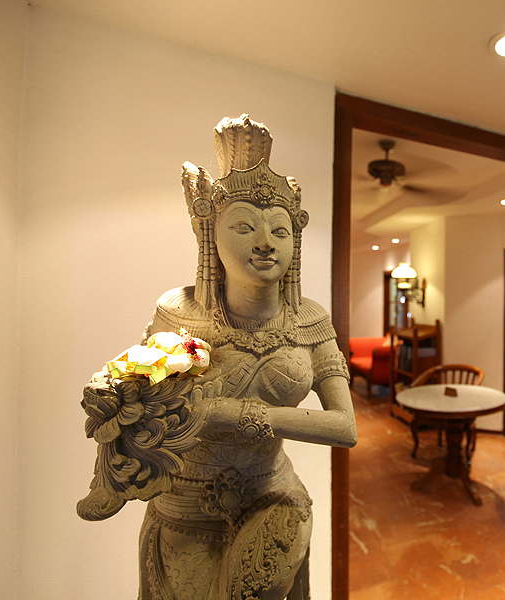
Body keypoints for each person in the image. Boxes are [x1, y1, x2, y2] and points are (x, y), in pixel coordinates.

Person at [78, 115, 356, 600]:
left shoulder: (310, 320)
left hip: (271, 493)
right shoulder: (178, 313)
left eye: (280, 230)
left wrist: (232, 414)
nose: (265, 242)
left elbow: (345, 427)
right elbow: (140, 396)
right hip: (183, 506)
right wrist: (116, 409)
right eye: (244, 226)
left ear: (295, 241)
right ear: (209, 233)